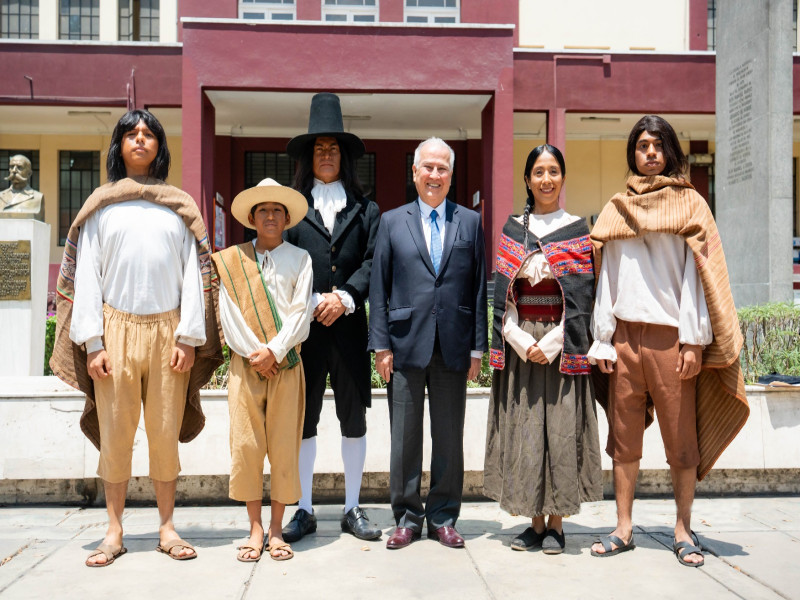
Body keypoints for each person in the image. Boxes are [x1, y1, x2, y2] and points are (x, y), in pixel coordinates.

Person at [50, 109, 223, 566]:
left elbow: (194, 276)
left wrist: (188, 337)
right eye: (132, 134)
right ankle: (114, 530)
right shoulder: (101, 206)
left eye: (149, 134)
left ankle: (167, 528)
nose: (141, 140)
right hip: (114, 332)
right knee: (116, 435)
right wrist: (93, 343)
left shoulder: (179, 206)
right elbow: (87, 275)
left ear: (160, 147)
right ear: (119, 146)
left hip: (169, 336)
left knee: (164, 434)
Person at [588, 115, 748, 567]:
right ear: (633, 154)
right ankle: (623, 528)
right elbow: (607, 278)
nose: (651, 152)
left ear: (671, 152)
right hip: (623, 339)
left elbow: (698, 277)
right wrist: (602, 339)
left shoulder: (691, 204)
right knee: (623, 440)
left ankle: (683, 529)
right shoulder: (616, 207)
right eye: (642, 145)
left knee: (682, 443)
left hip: (671, 340)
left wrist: (695, 341)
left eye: (658, 145)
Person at [369, 137, 487, 550]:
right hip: (403, 345)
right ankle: (405, 516)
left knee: (449, 436)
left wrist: (477, 348)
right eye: (428, 168)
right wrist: (381, 346)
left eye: (442, 169)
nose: (435, 175)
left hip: (453, 345)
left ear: (451, 176)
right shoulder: (390, 221)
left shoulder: (470, 222)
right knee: (404, 436)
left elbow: (476, 289)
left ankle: (443, 516)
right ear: (414, 172)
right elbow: (378, 287)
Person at [484, 144, 602, 554]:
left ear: (563, 178)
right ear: (528, 179)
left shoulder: (577, 230)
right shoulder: (513, 229)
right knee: (527, 429)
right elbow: (503, 296)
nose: (546, 179)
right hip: (522, 347)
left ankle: (557, 524)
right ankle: (533, 522)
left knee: (559, 431)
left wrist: (552, 343)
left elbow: (583, 299)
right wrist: (519, 339)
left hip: (561, 347)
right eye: (538, 172)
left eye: (553, 171)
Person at [282, 93, 381, 543]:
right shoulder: (289, 209)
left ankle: (352, 506)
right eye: (319, 148)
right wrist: (311, 300)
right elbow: (280, 263)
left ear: (344, 157)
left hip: (348, 328)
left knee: (353, 417)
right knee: (304, 420)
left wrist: (343, 297)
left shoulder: (367, 209)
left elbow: (373, 262)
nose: (326, 155)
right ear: (308, 156)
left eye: (333, 148)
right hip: (303, 333)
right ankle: (302, 509)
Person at [212, 178, 313, 562]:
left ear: (286, 218)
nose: (270, 216)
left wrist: (275, 350)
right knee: (247, 446)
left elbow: (301, 312)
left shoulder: (300, 259)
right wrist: (257, 353)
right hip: (245, 364)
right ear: (252, 218)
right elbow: (229, 314)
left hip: (286, 366)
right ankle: (254, 529)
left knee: (285, 447)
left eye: (277, 210)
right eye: (263, 211)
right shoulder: (232, 260)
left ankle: (276, 531)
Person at [0, 154, 44, 220]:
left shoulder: (38, 197)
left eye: (19, 167)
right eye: (12, 167)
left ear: (29, 173)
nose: (14, 170)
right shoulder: (1, 196)